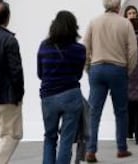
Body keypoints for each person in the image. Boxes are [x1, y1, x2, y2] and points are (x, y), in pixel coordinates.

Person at [84, 0, 138, 162]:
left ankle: (90, 150)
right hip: (118, 69)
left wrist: (88, 68)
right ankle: (121, 148)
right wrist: (128, 69)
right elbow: (133, 51)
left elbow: (85, 47)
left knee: (93, 112)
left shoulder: (94, 22)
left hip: (97, 68)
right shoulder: (125, 24)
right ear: (119, 5)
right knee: (121, 111)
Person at [37, 11, 86, 164]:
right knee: (67, 138)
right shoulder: (79, 49)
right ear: (74, 27)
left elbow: (40, 73)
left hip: (48, 96)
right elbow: (78, 75)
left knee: (50, 137)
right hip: (71, 94)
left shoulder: (44, 46)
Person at [0, 1, 24, 164]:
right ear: (7, 18)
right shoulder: (9, 40)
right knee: (12, 135)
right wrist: (19, 93)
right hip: (7, 97)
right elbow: (16, 71)